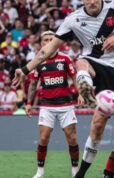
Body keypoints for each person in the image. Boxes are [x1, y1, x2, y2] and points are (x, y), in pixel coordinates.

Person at [12, 0, 114, 178]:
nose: (92, 2)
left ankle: (82, 171)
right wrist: (25, 69)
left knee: (97, 127)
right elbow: (48, 49)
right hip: (92, 62)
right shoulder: (74, 20)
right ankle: (85, 88)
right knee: (80, 62)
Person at [24, 31, 81, 178]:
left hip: (66, 104)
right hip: (47, 105)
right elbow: (33, 84)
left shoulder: (65, 59)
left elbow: (75, 78)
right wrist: (29, 103)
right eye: (46, 40)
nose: (49, 42)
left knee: (72, 138)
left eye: (51, 39)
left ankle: (75, 170)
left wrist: (81, 93)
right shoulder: (38, 62)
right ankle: (40, 172)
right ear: (41, 43)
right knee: (43, 138)